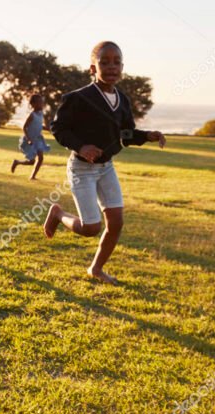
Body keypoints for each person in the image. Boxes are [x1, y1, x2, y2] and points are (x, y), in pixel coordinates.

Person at [45, 41, 166, 285]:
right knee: (90, 228)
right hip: (81, 169)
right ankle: (58, 214)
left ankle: (96, 269)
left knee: (116, 223)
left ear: (122, 66)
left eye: (117, 62)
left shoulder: (122, 99)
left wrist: (148, 136)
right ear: (93, 68)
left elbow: (126, 135)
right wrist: (81, 147)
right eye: (105, 62)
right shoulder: (79, 98)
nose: (112, 66)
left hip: (106, 168)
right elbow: (58, 128)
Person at [11, 94, 50, 180]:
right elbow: (25, 127)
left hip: (38, 139)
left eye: (42, 102)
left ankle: (33, 176)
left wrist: (46, 128)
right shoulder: (32, 115)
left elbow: (38, 125)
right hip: (30, 140)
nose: (42, 104)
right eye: (39, 103)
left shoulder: (41, 114)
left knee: (40, 158)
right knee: (31, 161)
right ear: (33, 104)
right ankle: (17, 162)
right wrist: (28, 139)